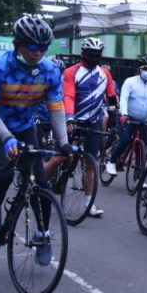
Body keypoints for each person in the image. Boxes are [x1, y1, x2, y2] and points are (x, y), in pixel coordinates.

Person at [0, 15, 72, 260]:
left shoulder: (49, 70)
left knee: (40, 183)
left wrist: (64, 143)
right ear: (18, 43)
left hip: (24, 126)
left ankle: (43, 234)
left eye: (44, 48)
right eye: (34, 47)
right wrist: (6, 138)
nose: (39, 52)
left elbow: (56, 108)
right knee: (4, 173)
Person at [45, 37, 115, 218]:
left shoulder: (105, 74)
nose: (94, 58)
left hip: (93, 121)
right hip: (72, 119)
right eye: (90, 55)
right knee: (58, 158)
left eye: (97, 55)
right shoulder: (71, 72)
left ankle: (88, 204)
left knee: (90, 163)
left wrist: (115, 115)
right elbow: (68, 96)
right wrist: (69, 118)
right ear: (83, 54)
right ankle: (37, 186)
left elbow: (111, 96)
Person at [106, 55, 147, 177]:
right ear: (139, 69)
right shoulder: (130, 82)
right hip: (127, 118)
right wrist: (124, 114)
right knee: (125, 139)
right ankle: (112, 161)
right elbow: (124, 99)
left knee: (143, 148)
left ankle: (138, 177)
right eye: (145, 68)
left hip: (143, 120)